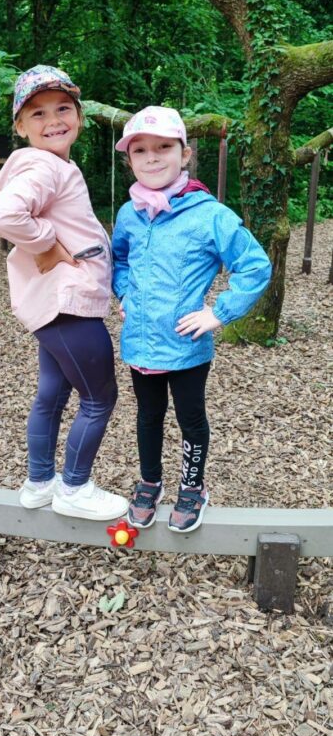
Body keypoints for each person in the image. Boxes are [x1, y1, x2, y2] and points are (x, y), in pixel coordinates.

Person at [112, 106, 272, 533]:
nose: (152, 157)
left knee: (191, 418)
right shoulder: (129, 213)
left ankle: (192, 487)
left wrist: (219, 312)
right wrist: (125, 292)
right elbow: (119, 260)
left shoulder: (209, 214)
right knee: (148, 416)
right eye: (140, 150)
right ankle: (150, 482)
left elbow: (255, 265)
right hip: (140, 342)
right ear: (129, 159)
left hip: (185, 345)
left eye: (164, 147)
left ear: (184, 154)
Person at [0, 65, 127, 521]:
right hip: (69, 305)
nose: (53, 121)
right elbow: (2, 216)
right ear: (20, 127)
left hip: (53, 307)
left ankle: (40, 482)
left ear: (79, 117)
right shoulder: (44, 166)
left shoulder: (53, 164)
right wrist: (47, 243)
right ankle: (75, 488)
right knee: (99, 398)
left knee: (51, 394)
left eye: (63, 108)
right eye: (38, 113)